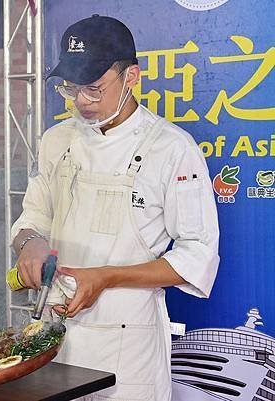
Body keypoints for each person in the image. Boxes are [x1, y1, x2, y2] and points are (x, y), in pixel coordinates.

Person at [11, 15, 219, 401]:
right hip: (55, 336)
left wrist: (105, 276)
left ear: (131, 76)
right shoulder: (57, 140)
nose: (81, 102)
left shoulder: (172, 148)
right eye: (71, 89)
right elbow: (33, 217)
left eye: (94, 88)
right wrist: (29, 245)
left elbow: (197, 254)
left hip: (129, 344)